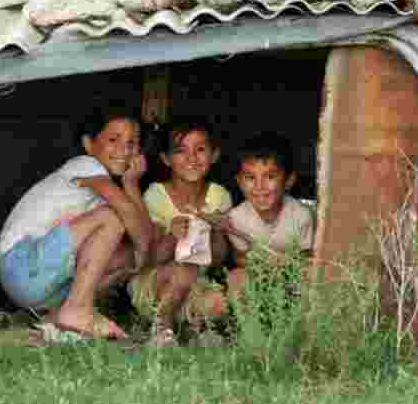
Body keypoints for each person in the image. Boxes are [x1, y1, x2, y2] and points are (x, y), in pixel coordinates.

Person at [0, 107, 154, 340]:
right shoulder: (85, 165)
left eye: (132, 143)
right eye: (113, 139)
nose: (124, 150)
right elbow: (127, 215)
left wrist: (131, 184)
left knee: (123, 253)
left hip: (39, 280)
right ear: (89, 145)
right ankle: (77, 309)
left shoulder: (100, 190)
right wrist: (144, 253)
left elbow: (142, 231)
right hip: (20, 264)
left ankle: (58, 318)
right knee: (114, 216)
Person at [129, 117, 234, 346]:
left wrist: (216, 231)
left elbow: (217, 260)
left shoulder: (219, 197)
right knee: (185, 267)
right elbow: (148, 259)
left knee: (218, 302)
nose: (191, 158)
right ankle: (162, 326)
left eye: (200, 150)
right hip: (152, 284)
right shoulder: (155, 196)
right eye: (180, 151)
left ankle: (186, 328)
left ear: (214, 155)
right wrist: (171, 236)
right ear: (166, 159)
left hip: (195, 285)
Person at [224, 132, 315, 298]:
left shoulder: (302, 215)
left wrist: (285, 265)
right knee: (236, 278)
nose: (260, 187)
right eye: (250, 177)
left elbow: (306, 256)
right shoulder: (235, 219)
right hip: (256, 275)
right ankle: (247, 323)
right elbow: (239, 258)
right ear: (239, 182)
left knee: (310, 274)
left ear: (288, 181)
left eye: (270, 177)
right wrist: (265, 265)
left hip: (292, 276)